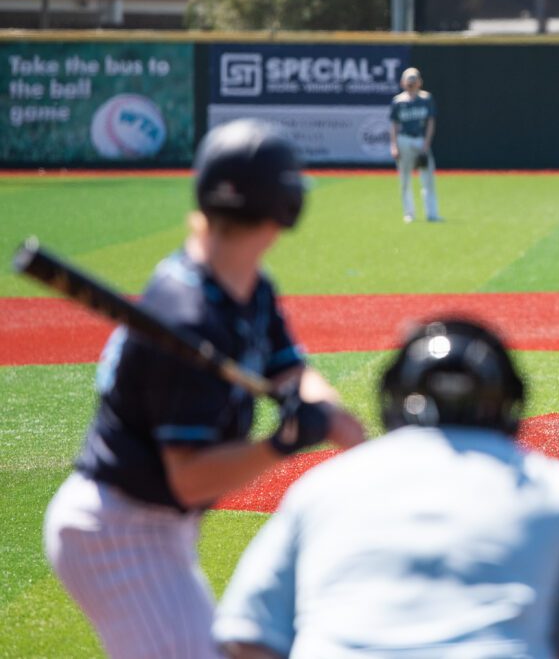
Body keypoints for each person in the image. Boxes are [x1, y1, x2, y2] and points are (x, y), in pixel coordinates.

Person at [42, 118, 367, 659]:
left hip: (157, 525)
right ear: (281, 210)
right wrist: (281, 444)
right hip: (118, 532)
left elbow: (292, 372)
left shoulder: (246, 288)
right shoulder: (187, 318)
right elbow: (191, 478)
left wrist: (339, 425)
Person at [214, 318, 559, 658]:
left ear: (394, 398)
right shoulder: (554, 488)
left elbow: (245, 635)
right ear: (508, 401)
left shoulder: (325, 486)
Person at [389, 66, 441, 223]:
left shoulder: (426, 99)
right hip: (404, 140)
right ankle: (409, 213)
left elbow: (431, 122)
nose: (411, 83)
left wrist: (426, 143)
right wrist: (394, 145)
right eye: (408, 80)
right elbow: (394, 125)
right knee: (404, 179)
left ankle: (432, 213)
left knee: (428, 179)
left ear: (420, 82)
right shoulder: (398, 101)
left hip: (420, 140)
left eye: (414, 80)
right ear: (402, 82)